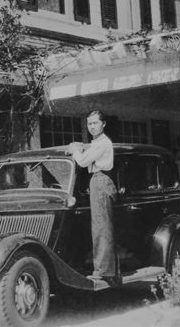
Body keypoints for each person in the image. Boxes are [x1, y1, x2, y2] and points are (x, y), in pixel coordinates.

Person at [69, 111, 117, 282]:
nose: (92, 127)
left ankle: (104, 271)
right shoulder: (96, 143)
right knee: (98, 225)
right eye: (89, 124)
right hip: (96, 181)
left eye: (95, 123)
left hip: (101, 180)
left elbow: (82, 162)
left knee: (102, 227)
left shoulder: (103, 143)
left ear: (103, 124)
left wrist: (75, 150)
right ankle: (104, 268)